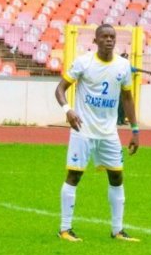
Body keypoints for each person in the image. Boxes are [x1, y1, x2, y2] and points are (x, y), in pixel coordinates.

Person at [54, 24, 140, 242]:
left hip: (109, 132)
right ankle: (65, 229)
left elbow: (127, 98)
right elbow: (60, 89)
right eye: (104, 36)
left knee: (117, 176)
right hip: (83, 130)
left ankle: (117, 230)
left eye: (112, 37)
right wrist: (68, 110)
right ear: (96, 40)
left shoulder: (122, 66)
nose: (109, 40)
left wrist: (135, 129)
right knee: (74, 175)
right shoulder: (84, 62)